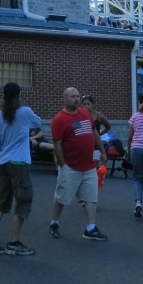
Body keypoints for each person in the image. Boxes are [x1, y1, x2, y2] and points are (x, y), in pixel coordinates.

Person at [0, 81, 41, 256]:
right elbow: (37, 123)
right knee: (23, 201)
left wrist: (7, 145)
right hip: (20, 163)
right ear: (19, 96)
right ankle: (14, 242)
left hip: (3, 163)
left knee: (1, 202)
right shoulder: (25, 112)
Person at [49, 87, 109, 240]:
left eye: (77, 96)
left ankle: (90, 228)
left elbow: (94, 133)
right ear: (65, 99)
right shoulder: (59, 119)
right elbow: (57, 144)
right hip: (70, 166)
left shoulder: (85, 113)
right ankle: (54, 223)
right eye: (72, 97)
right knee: (62, 197)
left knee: (91, 197)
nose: (76, 99)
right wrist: (63, 165)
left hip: (89, 165)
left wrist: (102, 151)